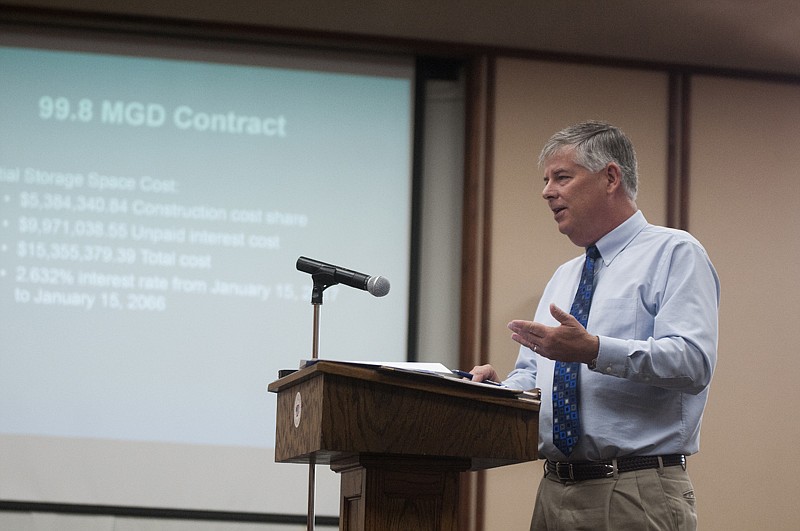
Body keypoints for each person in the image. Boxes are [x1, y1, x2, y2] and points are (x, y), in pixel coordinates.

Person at [471, 121, 719, 530]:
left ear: (610, 177)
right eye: (546, 180)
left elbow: (693, 363)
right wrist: (498, 394)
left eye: (562, 177)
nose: (547, 191)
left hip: (635, 489)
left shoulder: (675, 253)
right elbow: (533, 375)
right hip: (554, 489)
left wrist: (594, 349)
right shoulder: (564, 276)